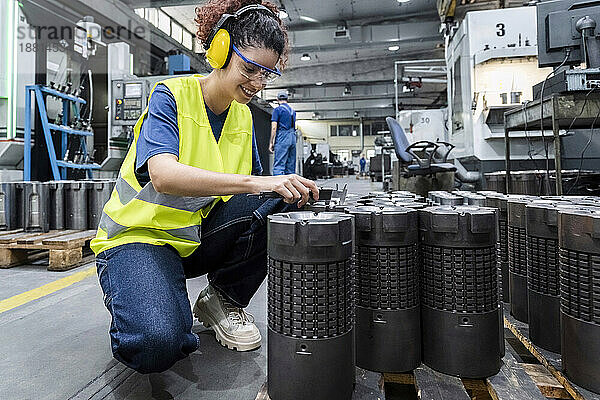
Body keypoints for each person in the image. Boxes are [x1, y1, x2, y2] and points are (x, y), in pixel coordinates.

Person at [90, 0, 318, 374]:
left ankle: (222, 298)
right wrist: (258, 181)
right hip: (138, 238)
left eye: (267, 75)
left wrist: (282, 186)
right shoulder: (171, 96)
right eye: (250, 69)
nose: (258, 85)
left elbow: (255, 199)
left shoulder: (243, 116)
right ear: (220, 50)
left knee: (282, 199)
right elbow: (163, 175)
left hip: (194, 237)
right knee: (157, 345)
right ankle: (148, 301)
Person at [269, 90, 297, 175]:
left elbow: (274, 127)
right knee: (290, 166)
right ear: (287, 99)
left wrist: (271, 142)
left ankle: (278, 187)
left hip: (283, 137)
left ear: (277, 99)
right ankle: (291, 187)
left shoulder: (277, 110)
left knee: (279, 165)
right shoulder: (293, 111)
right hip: (292, 137)